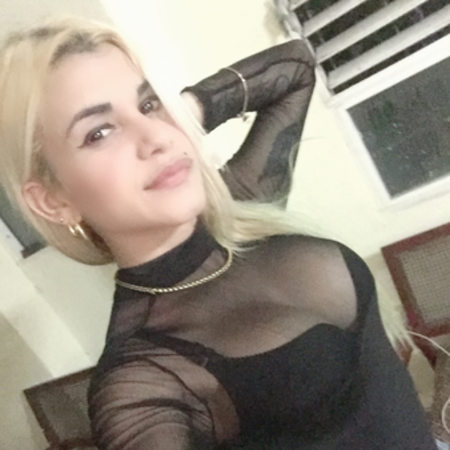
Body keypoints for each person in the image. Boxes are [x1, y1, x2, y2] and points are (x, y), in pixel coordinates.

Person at [0, 16, 437, 449]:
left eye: (148, 104)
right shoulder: (144, 382)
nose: (155, 137)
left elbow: (296, 68)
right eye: (99, 132)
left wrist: (183, 117)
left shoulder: (240, 210)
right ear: (54, 200)